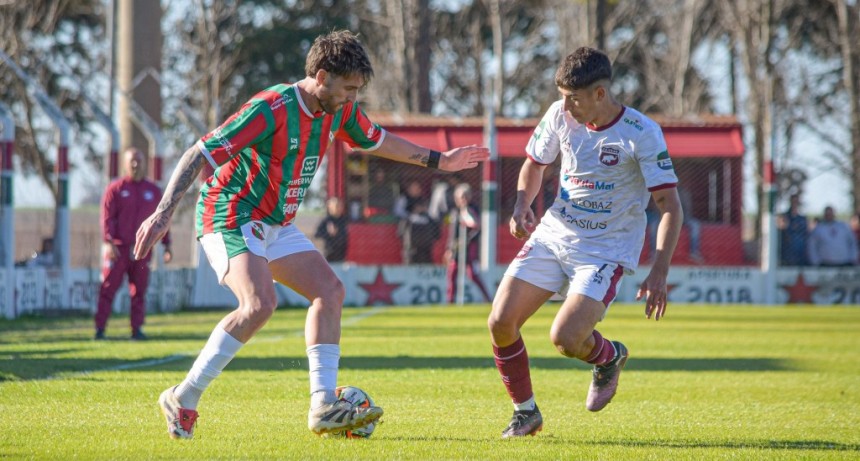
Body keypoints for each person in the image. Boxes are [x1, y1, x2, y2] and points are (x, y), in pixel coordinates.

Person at [132, 30, 489, 440]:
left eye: (358, 89)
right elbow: (199, 152)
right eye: (349, 88)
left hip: (276, 223)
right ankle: (184, 397)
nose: (353, 98)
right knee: (259, 304)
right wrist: (162, 213)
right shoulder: (271, 107)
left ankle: (322, 405)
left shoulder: (339, 109)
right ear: (321, 76)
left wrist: (440, 160)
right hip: (230, 212)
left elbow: (376, 140)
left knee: (330, 291)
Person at [486, 47, 682, 438]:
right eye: (562, 95)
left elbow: (669, 207)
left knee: (566, 339)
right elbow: (534, 165)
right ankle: (526, 414)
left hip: (605, 251)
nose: (565, 105)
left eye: (573, 97)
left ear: (600, 94)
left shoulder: (641, 133)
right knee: (500, 322)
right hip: (554, 233)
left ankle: (609, 357)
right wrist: (523, 203)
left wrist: (659, 271)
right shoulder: (559, 115)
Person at [95, 147, 172, 341]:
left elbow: (162, 219)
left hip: (143, 249)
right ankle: (100, 329)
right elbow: (107, 217)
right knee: (108, 288)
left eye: (139, 160)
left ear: (145, 163)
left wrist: (167, 244)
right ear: (125, 164)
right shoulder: (116, 189)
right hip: (118, 249)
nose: (136, 165)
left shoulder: (153, 191)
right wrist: (109, 241)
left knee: (139, 291)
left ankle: (136, 329)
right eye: (132, 161)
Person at [445, 183, 492, 303]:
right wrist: (450, 248)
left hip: (468, 249)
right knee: (452, 274)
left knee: (472, 274)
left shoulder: (472, 210)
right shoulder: (455, 212)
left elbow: (478, 228)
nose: (464, 199)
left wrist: (467, 241)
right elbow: (452, 233)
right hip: (456, 248)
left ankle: (488, 298)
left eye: (466, 196)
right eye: (461, 197)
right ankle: (450, 302)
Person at [647, 185, 701, 264]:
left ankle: (694, 252)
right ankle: (654, 253)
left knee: (695, 225)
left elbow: (688, 210)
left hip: (682, 218)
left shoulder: (684, 193)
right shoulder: (661, 193)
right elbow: (657, 210)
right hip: (664, 218)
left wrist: (678, 218)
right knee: (653, 225)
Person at [401, 198, 439, 264]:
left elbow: (437, 234)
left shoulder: (430, 220)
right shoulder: (408, 220)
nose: (421, 208)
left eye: (423, 206)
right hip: (411, 249)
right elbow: (401, 233)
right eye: (419, 206)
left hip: (426, 250)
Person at [777, 193, 809, 266]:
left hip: (801, 255)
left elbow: (806, 234)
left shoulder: (802, 219)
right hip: (787, 255)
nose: (795, 203)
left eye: (796, 201)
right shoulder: (784, 217)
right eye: (793, 201)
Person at [314, 197, 349, 262]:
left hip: (342, 253)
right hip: (330, 253)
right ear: (330, 207)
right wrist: (329, 233)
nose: (339, 208)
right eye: (336, 206)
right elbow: (317, 234)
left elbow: (346, 234)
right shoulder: (327, 220)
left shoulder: (344, 220)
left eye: (340, 206)